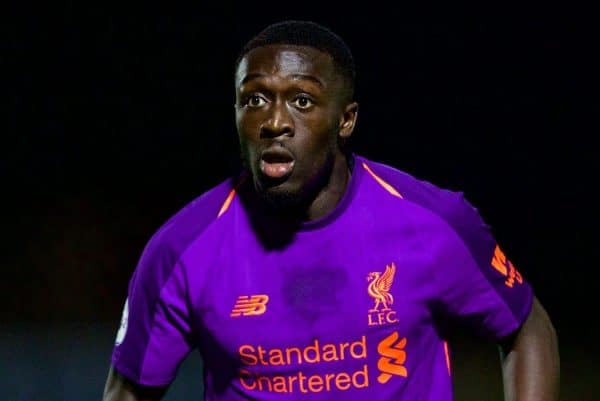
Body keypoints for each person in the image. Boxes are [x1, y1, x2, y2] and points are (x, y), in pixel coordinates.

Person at [102, 20, 559, 401]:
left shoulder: (432, 224)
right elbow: (128, 391)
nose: (274, 122)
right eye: (254, 99)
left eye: (302, 101)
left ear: (345, 120)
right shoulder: (180, 251)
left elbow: (525, 328)